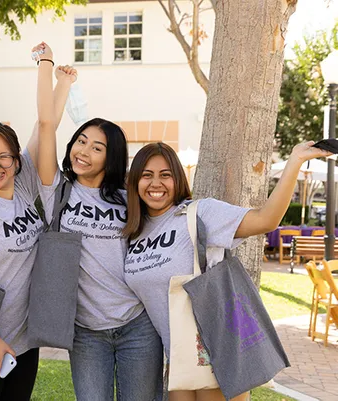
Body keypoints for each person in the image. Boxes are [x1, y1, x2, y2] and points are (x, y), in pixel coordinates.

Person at [122, 141, 331, 401]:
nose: (156, 183)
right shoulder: (133, 232)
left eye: (165, 175)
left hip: (218, 350)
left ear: (178, 179)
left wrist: (295, 161)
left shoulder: (200, 213)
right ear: (134, 182)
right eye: (146, 175)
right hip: (177, 358)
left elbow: (266, 219)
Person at [34, 42, 163, 401]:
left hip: (138, 323)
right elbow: (47, 125)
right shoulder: (57, 190)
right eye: (81, 141)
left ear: (112, 157)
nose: (83, 151)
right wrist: (49, 69)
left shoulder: (128, 196)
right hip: (85, 331)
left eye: (96, 148)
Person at [0, 66, 77, 400]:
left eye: (3, 156)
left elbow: (45, 125)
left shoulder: (22, 187)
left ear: (17, 160)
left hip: (23, 340)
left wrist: (59, 81)